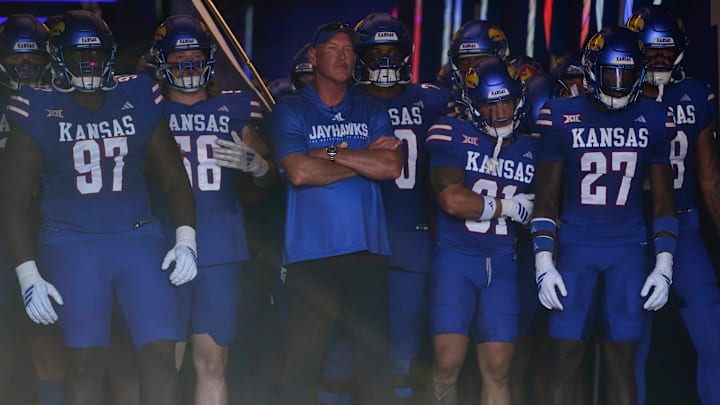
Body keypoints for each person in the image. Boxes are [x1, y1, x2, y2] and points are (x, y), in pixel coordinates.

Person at [1, 10, 197, 405]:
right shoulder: (35, 105)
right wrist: (28, 274)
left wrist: (186, 238)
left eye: (96, 55)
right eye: (78, 55)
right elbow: (12, 200)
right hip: (72, 244)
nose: (89, 64)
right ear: (57, 56)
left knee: (161, 357)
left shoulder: (138, 93)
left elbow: (175, 177)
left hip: (137, 237)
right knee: (85, 363)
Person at [531, 26, 678, 405]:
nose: (617, 84)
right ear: (591, 72)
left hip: (628, 248)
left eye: (626, 74)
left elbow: (663, 200)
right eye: (609, 73)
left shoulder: (654, 116)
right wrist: (543, 259)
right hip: (576, 247)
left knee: (621, 363)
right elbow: (545, 195)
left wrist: (665, 262)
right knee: (565, 361)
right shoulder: (560, 113)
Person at [271, 21, 402, 405]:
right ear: (313, 56)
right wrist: (363, 160)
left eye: (349, 50)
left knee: (375, 365)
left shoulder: (370, 106)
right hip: (311, 254)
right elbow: (298, 171)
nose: (344, 57)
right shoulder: (291, 109)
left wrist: (328, 152)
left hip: (367, 250)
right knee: (302, 365)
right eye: (334, 48)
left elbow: (392, 167)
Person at [150, 14, 275, 405]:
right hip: (160, 247)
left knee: (213, 364)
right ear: (161, 62)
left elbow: (268, 180)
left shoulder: (237, 109)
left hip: (220, 247)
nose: (187, 65)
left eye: (194, 56)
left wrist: (259, 166)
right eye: (177, 57)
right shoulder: (145, 109)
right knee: (161, 365)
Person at [425, 56, 537, 405]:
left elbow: (552, 210)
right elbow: (452, 201)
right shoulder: (450, 132)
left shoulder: (533, 147)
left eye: (507, 100)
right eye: (491, 104)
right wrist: (509, 207)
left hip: (502, 262)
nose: (501, 111)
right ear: (473, 105)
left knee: (499, 370)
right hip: (455, 259)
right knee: (447, 363)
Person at [626, 6, 720, 405]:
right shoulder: (616, 96)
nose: (660, 59)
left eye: (666, 52)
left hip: (682, 226)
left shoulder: (695, 95)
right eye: (652, 52)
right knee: (629, 347)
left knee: (714, 342)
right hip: (628, 229)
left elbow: (709, 175)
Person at [0, 13, 52, 403]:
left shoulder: (61, 95)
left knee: (49, 333)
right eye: (17, 60)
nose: (25, 68)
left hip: (49, 226)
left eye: (32, 60)